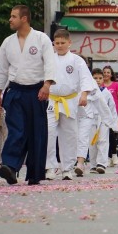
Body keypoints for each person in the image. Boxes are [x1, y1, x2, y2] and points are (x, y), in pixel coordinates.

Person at [0, 5, 56, 186]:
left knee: (36, 133)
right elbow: (1, 69)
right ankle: (10, 166)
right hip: (15, 92)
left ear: (24, 18)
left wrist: (47, 84)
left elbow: (50, 63)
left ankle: (34, 174)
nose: (10, 20)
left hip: (37, 92)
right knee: (16, 129)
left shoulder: (41, 39)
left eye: (13, 16)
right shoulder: (7, 42)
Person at [45, 29, 94, 180]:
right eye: (57, 43)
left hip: (70, 100)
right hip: (52, 100)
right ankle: (50, 168)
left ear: (69, 43)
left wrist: (84, 94)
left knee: (69, 135)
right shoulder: (48, 59)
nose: (59, 46)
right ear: (53, 43)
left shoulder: (76, 60)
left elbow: (86, 78)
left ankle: (67, 168)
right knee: (49, 133)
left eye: (62, 43)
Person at [76, 67, 118, 175]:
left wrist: (114, 125)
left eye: (100, 78)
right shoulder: (87, 92)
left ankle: (102, 164)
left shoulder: (107, 92)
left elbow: (112, 109)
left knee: (103, 141)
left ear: (103, 79)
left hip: (103, 119)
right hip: (90, 119)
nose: (98, 80)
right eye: (95, 78)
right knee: (92, 142)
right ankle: (93, 165)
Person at [103, 66, 118, 166]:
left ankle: (114, 155)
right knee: (105, 135)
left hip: (114, 113)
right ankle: (108, 156)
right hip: (102, 114)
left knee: (112, 134)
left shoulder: (116, 85)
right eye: (104, 72)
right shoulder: (100, 84)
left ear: (111, 74)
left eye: (108, 72)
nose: (106, 74)